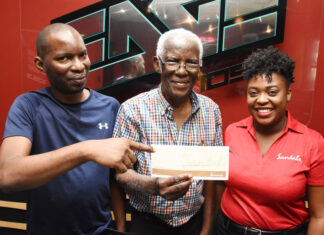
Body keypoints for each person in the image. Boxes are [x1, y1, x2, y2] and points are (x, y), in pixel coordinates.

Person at [0, 23, 153, 235]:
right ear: (40, 64)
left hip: (100, 229)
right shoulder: (28, 106)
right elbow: (7, 175)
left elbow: (114, 177)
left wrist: (120, 227)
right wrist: (86, 150)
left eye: (83, 55)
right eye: (64, 58)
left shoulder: (109, 106)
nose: (79, 66)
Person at [113, 28, 223, 235]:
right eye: (172, 61)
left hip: (194, 222)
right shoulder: (132, 110)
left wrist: (207, 228)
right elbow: (119, 174)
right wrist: (152, 185)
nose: (182, 70)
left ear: (199, 66)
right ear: (157, 64)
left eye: (191, 62)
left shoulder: (211, 111)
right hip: (146, 223)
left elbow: (211, 176)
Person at [215, 47, 324, 234]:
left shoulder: (313, 143)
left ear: (288, 94)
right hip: (227, 230)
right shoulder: (233, 132)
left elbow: (319, 216)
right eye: (253, 93)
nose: (262, 100)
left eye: (272, 92)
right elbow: (218, 185)